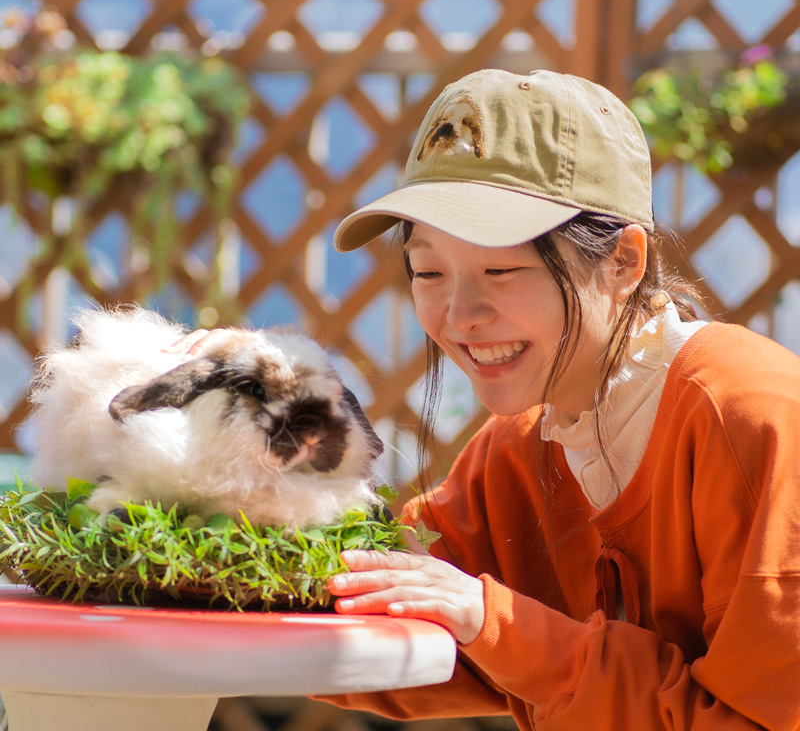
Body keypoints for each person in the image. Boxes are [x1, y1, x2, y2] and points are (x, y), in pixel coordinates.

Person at [173, 69, 800, 729]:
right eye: (428, 272)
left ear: (623, 262)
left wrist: (490, 621)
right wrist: (238, 427)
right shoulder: (522, 447)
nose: (459, 314)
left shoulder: (753, 415)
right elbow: (375, 594)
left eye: (500, 270)